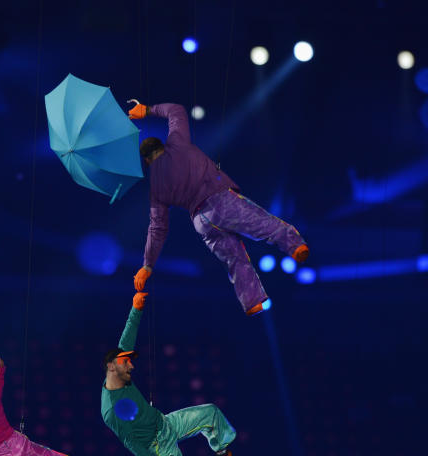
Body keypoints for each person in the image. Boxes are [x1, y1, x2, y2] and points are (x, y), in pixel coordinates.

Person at [126, 99, 309, 315]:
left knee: (234, 259)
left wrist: (147, 265)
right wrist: (147, 110)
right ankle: (294, 245)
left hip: (201, 221)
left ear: (146, 161)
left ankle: (253, 301)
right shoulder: (177, 143)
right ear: (162, 146)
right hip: (219, 201)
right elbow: (176, 110)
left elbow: (157, 229)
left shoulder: (155, 188)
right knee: (261, 223)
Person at [101, 292, 257, 456]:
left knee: (211, 413)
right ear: (111, 367)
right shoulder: (111, 410)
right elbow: (131, 443)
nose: (131, 366)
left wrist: (136, 308)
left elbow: (127, 337)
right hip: (157, 447)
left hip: (165, 423)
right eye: (126, 362)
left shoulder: (120, 373)